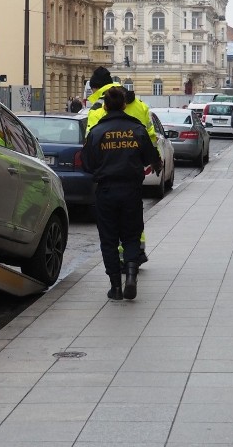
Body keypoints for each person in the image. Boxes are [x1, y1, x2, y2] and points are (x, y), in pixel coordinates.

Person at [81, 86, 162, 300]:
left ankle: (115, 287)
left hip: (106, 191)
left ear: (105, 106)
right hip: (131, 190)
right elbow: (149, 157)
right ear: (125, 104)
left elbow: (87, 164)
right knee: (131, 235)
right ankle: (132, 277)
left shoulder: (97, 132)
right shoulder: (136, 129)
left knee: (108, 240)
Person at [86, 66, 157, 265]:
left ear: (96, 88)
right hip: (133, 172)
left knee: (111, 225)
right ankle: (136, 254)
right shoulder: (139, 103)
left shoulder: (99, 107)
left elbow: (91, 143)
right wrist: (150, 160)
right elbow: (149, 135)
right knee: (133, 218)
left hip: (108, 176)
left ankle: (120, 262)